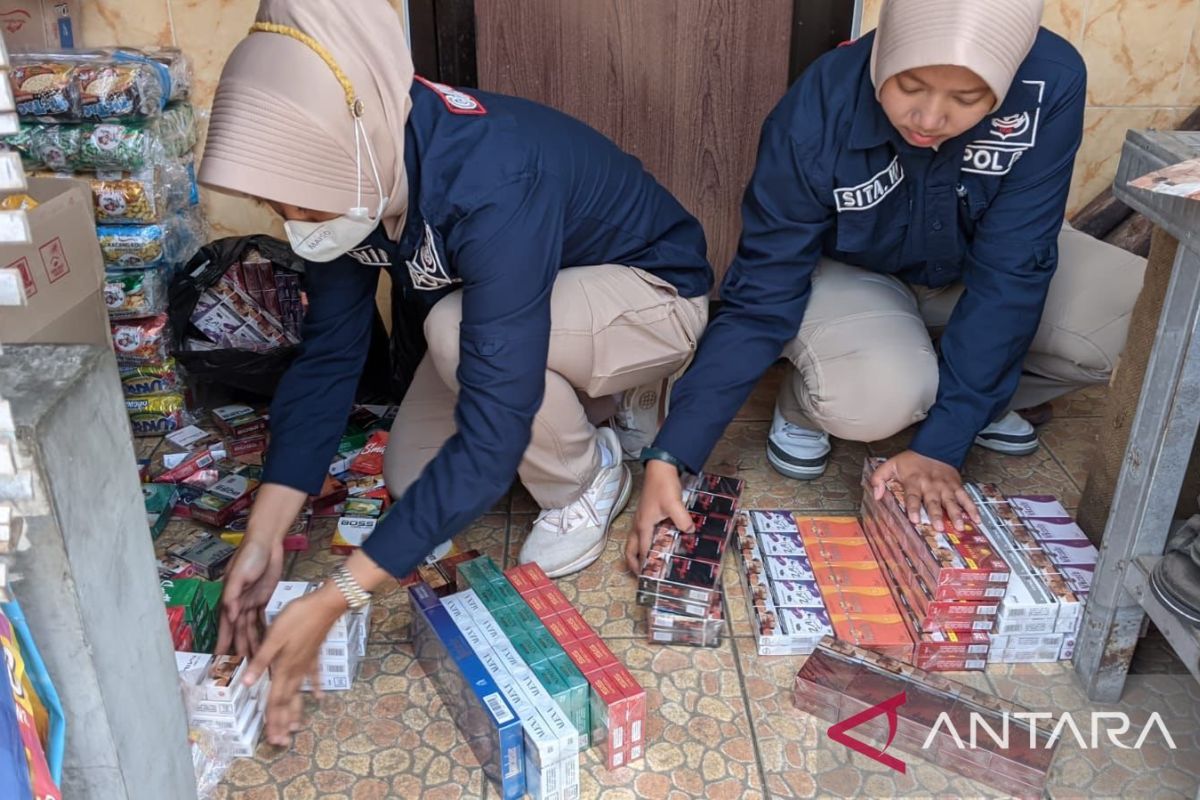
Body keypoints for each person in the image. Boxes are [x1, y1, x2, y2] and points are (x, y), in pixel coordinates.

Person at [200, 0, 712, 745]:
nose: (291, 215)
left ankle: (587, 473)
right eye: (271, 202)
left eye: (296, 195)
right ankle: (589, 400)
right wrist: (265, 535)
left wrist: (336, 597)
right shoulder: (346, 177)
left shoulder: (490, 173)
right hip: (531, 307)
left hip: (653, 297)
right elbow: (331, 358)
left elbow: (494, 434)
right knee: (413, 481)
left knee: (457, 332)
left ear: (357, 133)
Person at [628, 0, 1146, 571]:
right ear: (884, 57)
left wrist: (943, 446)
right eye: (910, 86)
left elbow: (1014, 268)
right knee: (876, 398)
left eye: (967, 99)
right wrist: (672, 456)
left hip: (973, 264)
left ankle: (965, 400)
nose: (928, 117)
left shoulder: (1053, 79)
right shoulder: (817, 108)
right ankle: (814, 402)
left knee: (1141, 316)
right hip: (856, 277)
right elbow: (762, 294)